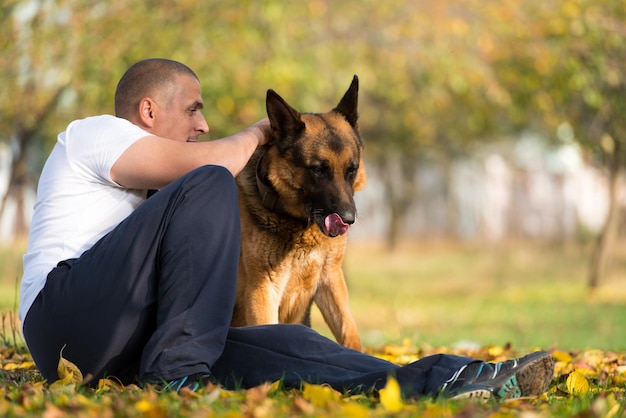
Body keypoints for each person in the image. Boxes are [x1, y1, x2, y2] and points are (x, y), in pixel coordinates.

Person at [19, 58, 554, 401]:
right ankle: (178, 373)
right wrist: (258, 134)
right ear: (149, 109)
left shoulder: (164, 199)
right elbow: (210, 171)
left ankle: (456, 379)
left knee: (289, 344)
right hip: (62, 320)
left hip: (133, 349)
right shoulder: (92, 135)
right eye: (194, 109)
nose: (203, 124)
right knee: (210, 179)